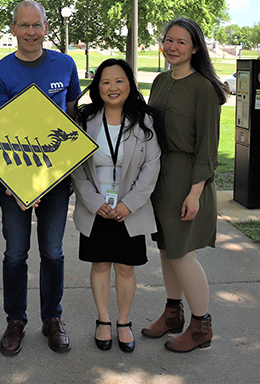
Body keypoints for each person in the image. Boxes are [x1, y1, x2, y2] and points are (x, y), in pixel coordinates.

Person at [0, 0, 81, 356]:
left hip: (55, 181)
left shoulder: (65, 64)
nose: (30, 32)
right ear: (13, 28)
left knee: (53, 253)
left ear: (45, 28)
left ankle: (52, 320)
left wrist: (59, 170)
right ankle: (15, 321)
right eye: (23, 26)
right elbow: (1, 131)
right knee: (15, 254)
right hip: (13, 182)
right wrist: (17, 181)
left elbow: (71, 120)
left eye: (36, 25)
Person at [140, 17, 227, 352]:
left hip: (187, 176)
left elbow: (208, 147)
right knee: (166, 249)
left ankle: (201, 325)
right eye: (169, 40)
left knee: (182, 254)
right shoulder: (161, 81)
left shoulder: (204, 89)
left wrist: (195, 192)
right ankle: (172, 313)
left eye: (181, 42)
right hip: (159, 174)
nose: (173, 47)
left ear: (194, 48)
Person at [71, 59, 161, 352]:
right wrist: (95, 202)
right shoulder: (85, 120)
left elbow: (152, 166)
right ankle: (103, 320)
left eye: (120, 81)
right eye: (106, 82)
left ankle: (123, 322)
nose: (113, 87)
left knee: (125, 268)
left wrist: (129, 204)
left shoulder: (144, 121)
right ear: (97, 87)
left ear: (130, 84)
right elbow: (77, 168)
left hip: (128, 210)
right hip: (96, 208)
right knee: (100, 265)